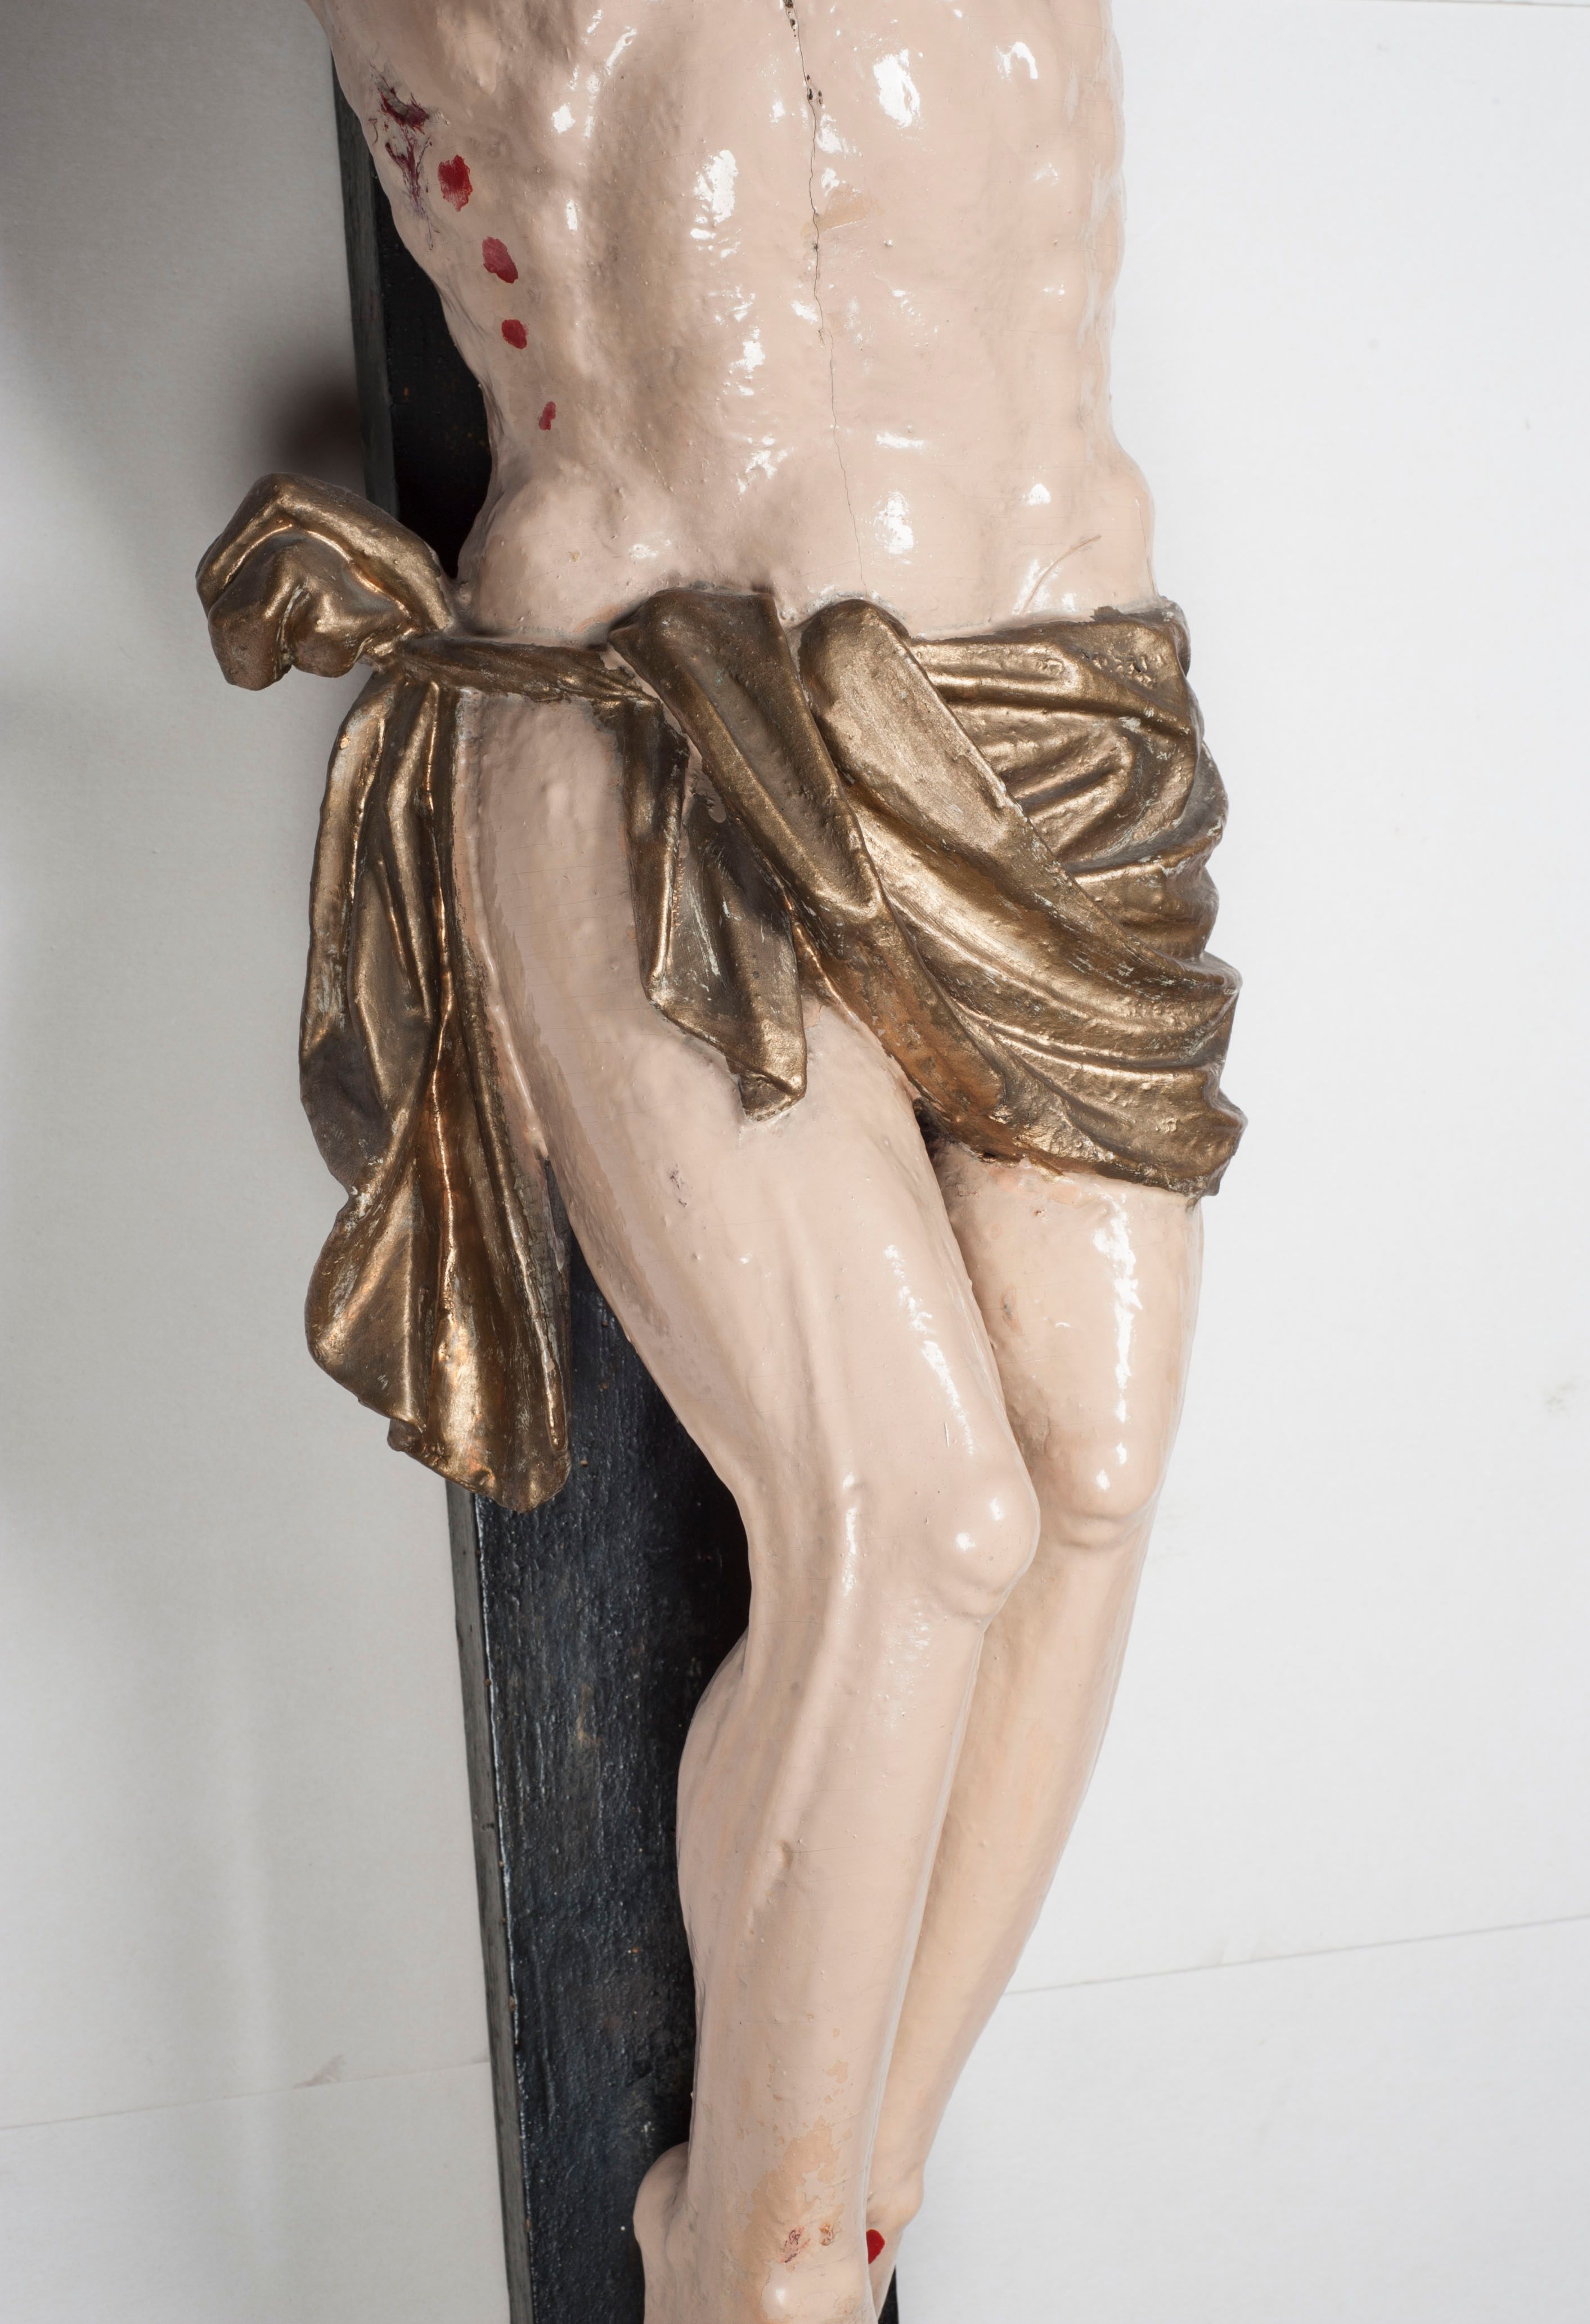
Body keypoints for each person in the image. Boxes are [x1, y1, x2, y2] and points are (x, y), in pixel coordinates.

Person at [290, 4, 1242, 2316]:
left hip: (1056, 705)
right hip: (659, 692)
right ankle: (760, 2275)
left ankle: (843, 2187)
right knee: (920, 1511)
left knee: (1089, 1475)